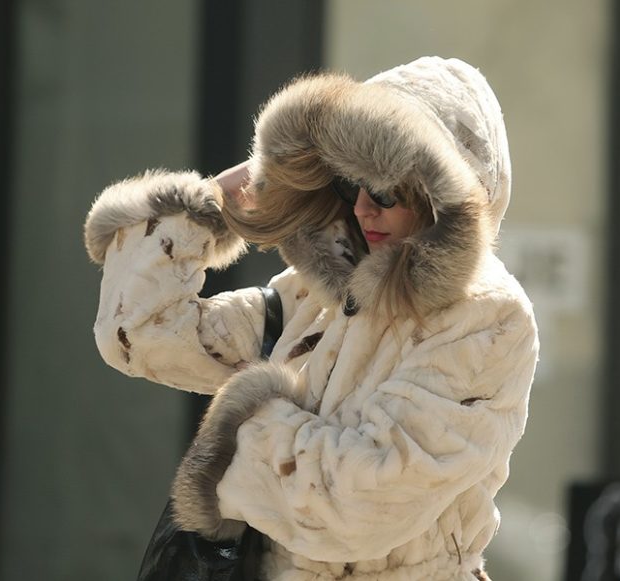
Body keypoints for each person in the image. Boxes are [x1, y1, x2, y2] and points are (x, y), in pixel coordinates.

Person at [84, 56, 539, 580]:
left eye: (388, 191)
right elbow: (139, 333)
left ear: (446, 199)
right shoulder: (321, 295)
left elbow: (359, 501)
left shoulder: (488, 319)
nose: (365, 208)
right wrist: (211, 207)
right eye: (349, 184)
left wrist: (239, 423)